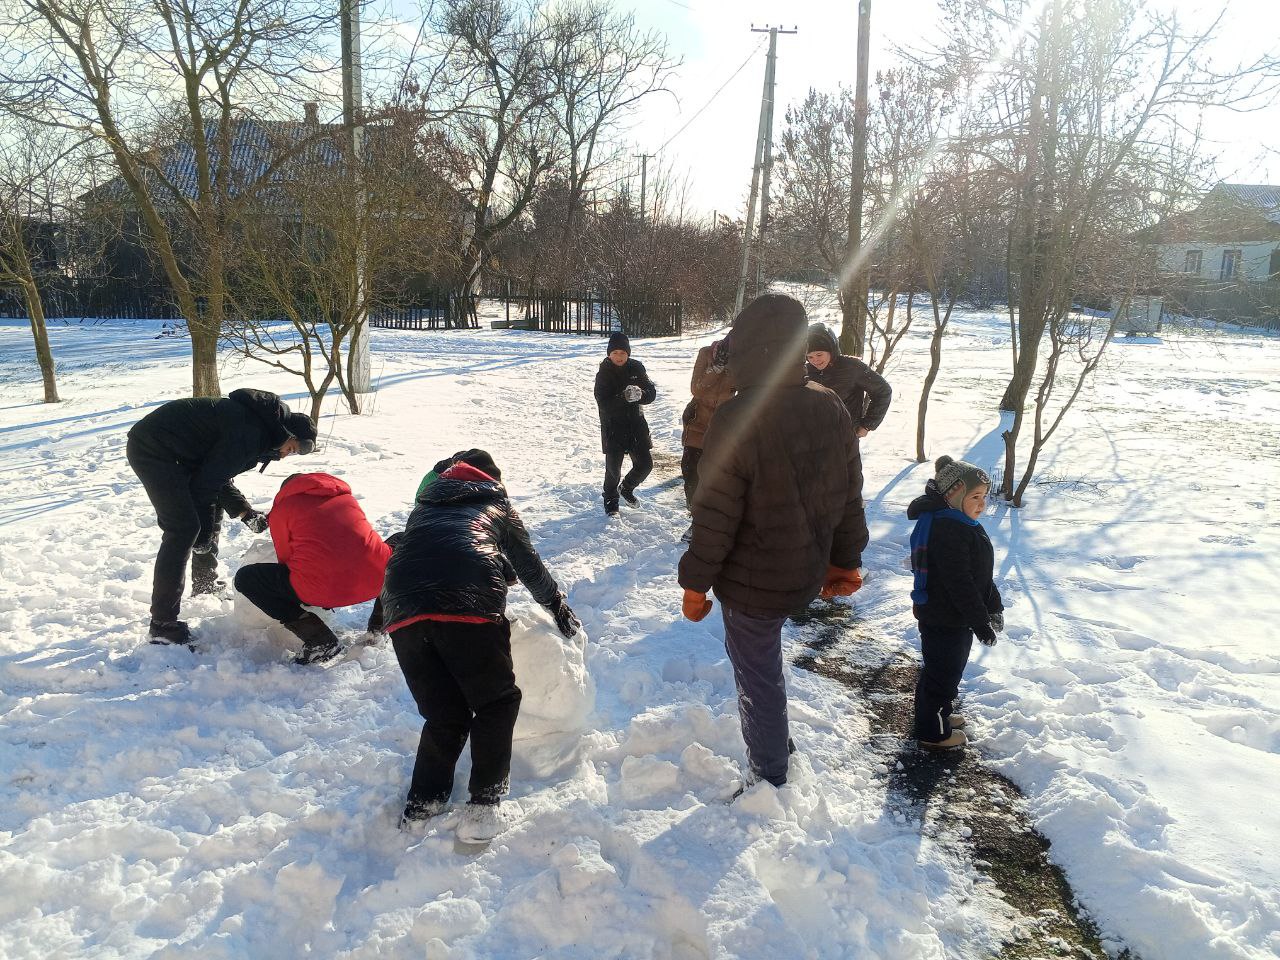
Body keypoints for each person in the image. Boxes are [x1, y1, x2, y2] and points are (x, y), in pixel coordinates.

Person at [678, 294, 866, 790]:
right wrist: (844, 561)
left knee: (757, 677)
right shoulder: (829, 405)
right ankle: (776, 745)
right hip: (805, 568)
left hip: (751, 582)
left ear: (743, 351)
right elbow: (849, 493)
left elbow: (714, 514)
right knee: (765, 670)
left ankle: (770, 776)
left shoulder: (737, 416)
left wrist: (695, 584)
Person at [379, 449, 581, 844]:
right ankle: (483, 806)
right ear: (492, 479)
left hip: (402, 609)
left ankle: (423, 803)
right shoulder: (495, 502)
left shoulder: (425, 507)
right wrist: (555, 604)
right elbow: (527, 563)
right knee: (496, 701)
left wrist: (382, 617)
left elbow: (416, 557)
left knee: (444, 714)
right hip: (468, 604)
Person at [126, 388, 317, 644]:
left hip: (180, 453)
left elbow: (216, 477)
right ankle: (163, 625)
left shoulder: (259, 430)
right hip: (155, 449)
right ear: (286, 434)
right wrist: (202, 535)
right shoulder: (251, 433)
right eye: (291, 449)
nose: (284, 456)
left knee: (205, 514)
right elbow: (205, 485)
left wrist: (244, 512)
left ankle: (204, 584)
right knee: (183, 530)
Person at [234, 472, 394, 665]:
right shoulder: (346, 498)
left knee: (246, 579)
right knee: (398, 543)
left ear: (286, 491)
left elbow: (285, 559)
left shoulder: (282, 509)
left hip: (320, 589)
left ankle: (319, 639)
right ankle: (378, 629)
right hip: (377, 580)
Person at [907, 455, 1004, 751]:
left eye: (985, 497)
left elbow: (980, 576)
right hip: (945, 617)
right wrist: (980, 622)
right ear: (954, 495)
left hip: (953, 616)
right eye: (975, 496)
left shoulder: (960, 522)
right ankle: (932, 732)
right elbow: (960, 584)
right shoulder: (949, 530)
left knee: (943, 670)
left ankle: (938, 714)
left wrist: (994, 606)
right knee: (943, 675)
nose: (982, 503)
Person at [594, 331, 657, 515]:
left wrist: (642, 395)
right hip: (613, 428)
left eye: (622, 353)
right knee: (613, 470)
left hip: (636, 426)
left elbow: (651, 392)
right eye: (615, 353)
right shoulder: (603, 374)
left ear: (628, 353)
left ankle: (627, 488)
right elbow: (603, 403)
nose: (619, 357)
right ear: (609, 354)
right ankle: (611, 500)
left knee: (645, 465)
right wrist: (624, 397)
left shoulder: (637, 368)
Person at [679, 334, 735, 539]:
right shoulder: (706, 354)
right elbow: (696, 388)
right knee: (691, 472)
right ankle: (697, 515)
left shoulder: (744, 362)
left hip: (724, 428)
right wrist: (716, 369)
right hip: (698, 423)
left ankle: (702, 522)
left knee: (715, 478)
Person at [804, 323, 893, 441]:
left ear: (831, 350)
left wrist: (867, 425)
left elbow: (883, 391)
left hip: (845, 437)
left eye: (819, 354)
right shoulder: (805, 371)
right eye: (810, 357)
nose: (815, 360)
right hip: (812, 439)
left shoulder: (852, 367)